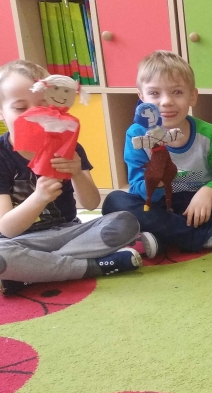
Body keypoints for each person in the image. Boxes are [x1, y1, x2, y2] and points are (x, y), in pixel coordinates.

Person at [0, 60, 141, 295]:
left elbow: (91, 204)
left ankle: (35, 271)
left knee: (126, 222)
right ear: (2, 112)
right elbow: (6, 228)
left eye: (43, 105)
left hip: (68, 233)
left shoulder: (69, 145)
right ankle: (91, 267)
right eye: (20, 108)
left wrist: (76, 172)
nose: (34, 115)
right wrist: (38, 198)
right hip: (21, 241)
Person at [102, 51, 212, 254]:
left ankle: (165, 235)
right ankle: (210, 237)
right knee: (114, 202)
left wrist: (207, 192)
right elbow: (137, 188)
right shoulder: (136, 135)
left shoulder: (207, 134)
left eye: (177, 92)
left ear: (192, 96)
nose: (166, 101)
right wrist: (157, 180)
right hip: (159, 206)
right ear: (142, 98)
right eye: (154, 93)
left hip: (200, 207)